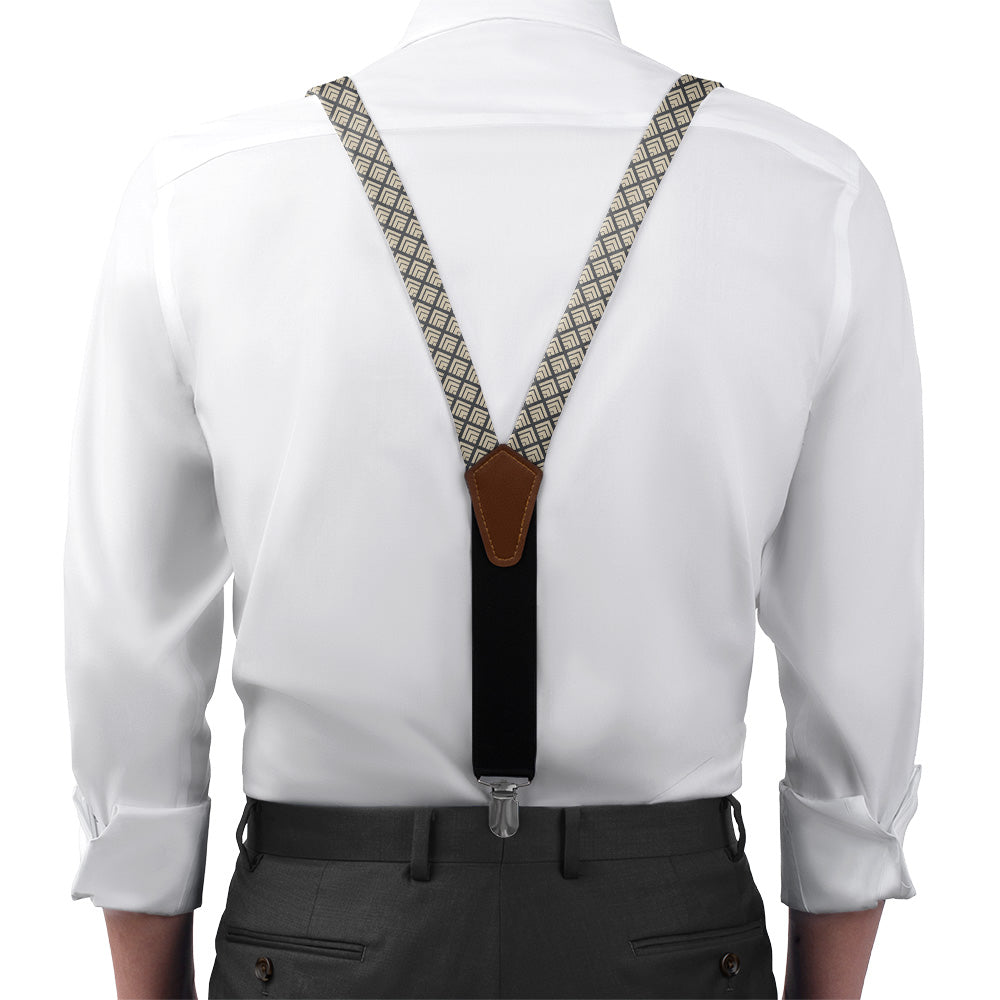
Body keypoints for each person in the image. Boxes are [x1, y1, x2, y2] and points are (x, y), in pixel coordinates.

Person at [63, 1, 924, 998]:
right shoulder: (806, 191)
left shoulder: (200, 192)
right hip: (668, 932)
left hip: (318, 931)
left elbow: (127, 653)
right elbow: (859, 664)